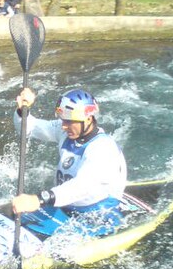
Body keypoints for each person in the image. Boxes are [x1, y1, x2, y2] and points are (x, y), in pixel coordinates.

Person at [11, 87, 127, 223]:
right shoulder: (66, 131)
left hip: (99, 213)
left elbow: (82, 186)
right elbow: (29, 128)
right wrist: (23, 110)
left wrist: (39, 199)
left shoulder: (103, 148)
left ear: (88, 119)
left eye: (69, 121)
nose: (64, 126)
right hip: (64, 205)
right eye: (63, 120)